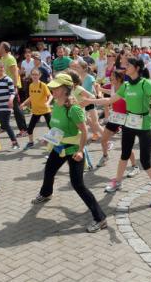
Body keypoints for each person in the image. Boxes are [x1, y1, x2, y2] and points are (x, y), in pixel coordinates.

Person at [84, 58, 151, 207]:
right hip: (129, 123)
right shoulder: (126, 85)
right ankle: (118, 181)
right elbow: (110, 100)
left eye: (128, 65)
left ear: (136, 67)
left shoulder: (145, 83)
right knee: (124, 155)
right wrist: (90, 101)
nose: (125, 67)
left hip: (143, 126)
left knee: (146, 162)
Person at [30, 73, 107, 233]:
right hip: (58, 148)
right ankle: (46, 193)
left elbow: (84, 133)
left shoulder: (74, 109)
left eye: (56, 87)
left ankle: (100, 218)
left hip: (73, 151)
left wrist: (80, 151)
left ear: (65, 89)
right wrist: (49, 139)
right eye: (53, 87)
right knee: (49, 171)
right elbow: (57, 128)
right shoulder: (56, 105)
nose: (53, 89)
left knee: (78, 185)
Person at [96, 70, 138, 174]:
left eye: (112, 77)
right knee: (103, 140)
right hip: (115, 116)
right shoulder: (113, 87)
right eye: (110, 77)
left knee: (126, 145)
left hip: (126, 117)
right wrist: (99, 89)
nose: (110, 78)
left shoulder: (126, 87)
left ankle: (135, 167)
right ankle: (105, 156)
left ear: (119, 78)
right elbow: (110, 93)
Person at [0, 41, 28, 136]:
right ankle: (4, 126)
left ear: (4, 49)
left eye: (0, 46)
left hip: (12, 86)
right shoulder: (3, 58)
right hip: (5, 86)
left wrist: (15, 87)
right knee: (3, 107)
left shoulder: (10, 59)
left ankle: (23, 130)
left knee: (16, 108)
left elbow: (15, 73)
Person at [20, 68, 52, 149]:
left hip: (45, 110)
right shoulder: (31, 85)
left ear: (39, 76)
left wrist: (48, 102)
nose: (34, 76)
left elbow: (50, 95)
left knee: (51, 127)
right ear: (31, 75)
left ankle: (53, 144)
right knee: (30, 128)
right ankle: (31, 142)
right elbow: (31, 97)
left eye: (36, 75)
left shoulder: (43, 85)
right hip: (36, 110)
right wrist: (23, 103)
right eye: (33, 74)